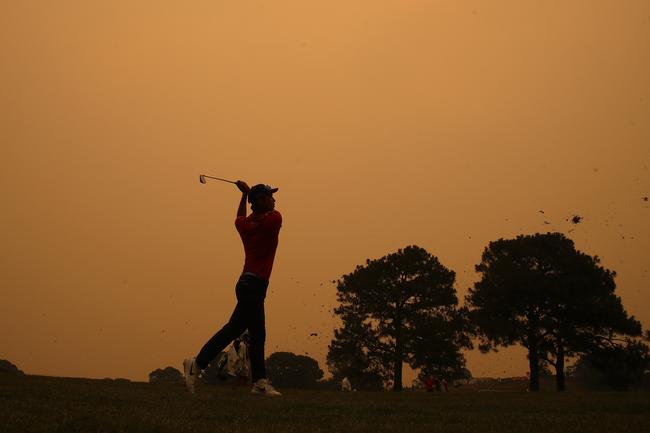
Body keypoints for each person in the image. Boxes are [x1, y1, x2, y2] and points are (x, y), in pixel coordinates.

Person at [183, 181, 283, 396]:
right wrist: (247, 195)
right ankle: (198, 363)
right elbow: (247, 217)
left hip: (246, 284)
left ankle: (259, 382)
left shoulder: (245, 226)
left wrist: (244, 196)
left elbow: (239, 218)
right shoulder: (275, 219)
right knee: (238, 330)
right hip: (255, 285)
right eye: (269, 196)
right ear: (259, 201)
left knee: (252, 333)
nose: (274, 199)